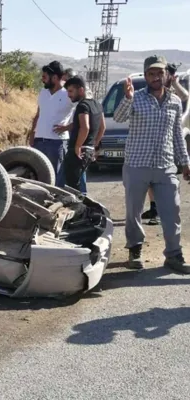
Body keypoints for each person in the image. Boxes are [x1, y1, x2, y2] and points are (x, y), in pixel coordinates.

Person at [113, 55, 190, 272]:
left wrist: (186, 162)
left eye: (159, 73)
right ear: (146, 76)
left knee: (172, 211)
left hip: (165, 166)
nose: (156, 77)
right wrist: (127, 98)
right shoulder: (135, 97)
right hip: (137, 165)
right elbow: (118, 117)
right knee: (133, 212)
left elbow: (177, 134)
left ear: (166, 74)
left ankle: (174, 255)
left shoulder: (175, 102)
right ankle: (135, 250)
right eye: (151, 73)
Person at [140, 62, 190, 225]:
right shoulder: (153, 90)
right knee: (151, 180)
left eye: (164, 73)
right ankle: (155, 208)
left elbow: (185, 97)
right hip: (153, 140)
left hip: (172, 141)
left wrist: (174, 82)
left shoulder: (172, 91)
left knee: (169, 179)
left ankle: (166, 210)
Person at [28, 61, 75, 187]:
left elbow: (84, 116)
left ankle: (55, 204)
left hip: (57, 143)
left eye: (44, 77)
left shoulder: (68, 93)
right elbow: (38, 114)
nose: (42, 80)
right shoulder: (43, 92)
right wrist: (32, 132)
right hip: (39, 141)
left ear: (54, 77)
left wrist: (67, 127)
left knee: (56, 179)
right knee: (38, 176)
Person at [61, 75, 105, 191]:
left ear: (81, 90)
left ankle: (78, 208)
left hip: (79, 151)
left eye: (71, 91)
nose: (68, 95)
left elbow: (85, 127)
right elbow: (102, 128)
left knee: (72, 187)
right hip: (89, 150)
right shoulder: (97, 104)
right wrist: (93, 145)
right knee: (78, 185)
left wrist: (78, 146)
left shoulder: (82, 105)